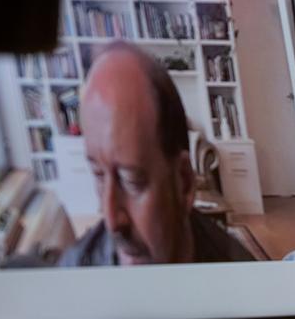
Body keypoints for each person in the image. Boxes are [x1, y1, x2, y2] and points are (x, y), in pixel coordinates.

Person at [57, 42, 254, 266]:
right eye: (99, 175)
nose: (111, 219)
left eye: (131, 180)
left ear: (184, 183)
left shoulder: (245, 288)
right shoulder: (75, 276)